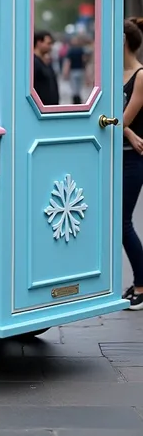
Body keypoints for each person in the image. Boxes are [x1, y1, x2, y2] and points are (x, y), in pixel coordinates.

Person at [122, 17, 143, 309]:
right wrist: (126, 130)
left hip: (133, 159)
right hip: (118, 153)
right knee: (117, 222)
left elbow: (121, 116)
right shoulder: (113, 72)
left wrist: (122, 127)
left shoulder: (140, 75)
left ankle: (141, 283)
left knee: (122, 222)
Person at [33, 30, 60, 105]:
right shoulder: (34, 63)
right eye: (48, 43)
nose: (50, 46)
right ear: (39, 43)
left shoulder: (46, 62)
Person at [63, 35, 88, 104]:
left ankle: (75, 99)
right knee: (79, 86)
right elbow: (84, 60)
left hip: (73, 71)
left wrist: (66, 71)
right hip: (80, 70)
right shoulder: (81, 50)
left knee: (74, 86)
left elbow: (68, 62)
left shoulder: (70, 51)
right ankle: (78, 98)